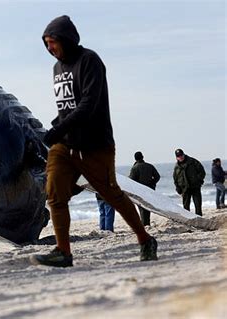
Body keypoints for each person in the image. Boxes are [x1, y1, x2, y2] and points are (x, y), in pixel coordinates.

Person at [30, 15, 158, 268]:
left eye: (52, 42)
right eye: (45, 44)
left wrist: (60, 128)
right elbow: (67, 108)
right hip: (65, 145)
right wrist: (55, 127)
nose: (49, 48)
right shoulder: (57, 69)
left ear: (66, 39)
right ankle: (63, 252)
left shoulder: (89, 61)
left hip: (94, 144)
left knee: (112, 195)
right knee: (54, 194)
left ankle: (145, 239)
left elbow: (89, 104)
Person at [128, 151, 160, 226]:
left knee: (142, 208)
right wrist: (152, 184)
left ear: (135, 159)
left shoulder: (134, 168)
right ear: (142, 157)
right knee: (147, 208)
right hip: (149, 190)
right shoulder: (150, 166)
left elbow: (131, 181)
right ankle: (147, 224)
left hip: (139, 191)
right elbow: (157, 177)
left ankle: (144, 224)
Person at [173, 149, 206, 216]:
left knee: (198, 205)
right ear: (176, 157)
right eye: (178, 156)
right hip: (184, 188)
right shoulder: (177, 167)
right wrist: (177, 187)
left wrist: (199, 181)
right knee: (186, 206)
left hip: (195, 187)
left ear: (184, 154)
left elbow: (202, 172)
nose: (180, 157)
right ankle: (188, 219)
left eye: (181, 155)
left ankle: (199, 219)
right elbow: (175, 178)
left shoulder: (193, 161)